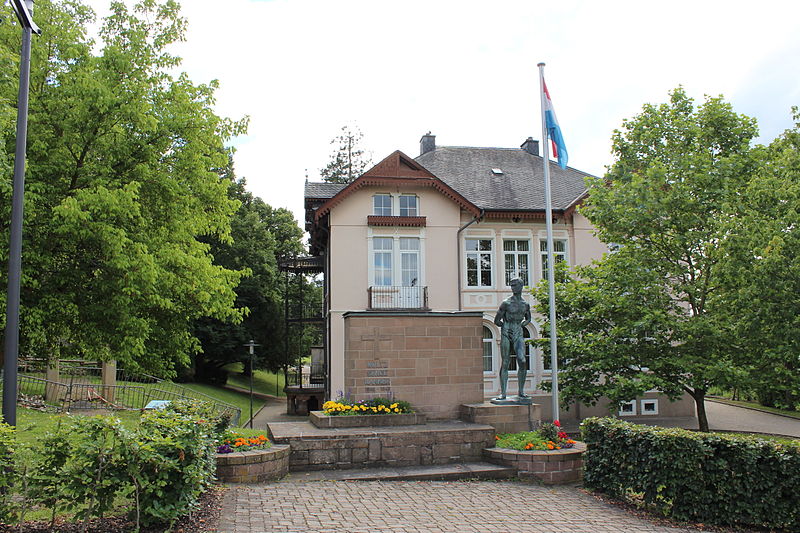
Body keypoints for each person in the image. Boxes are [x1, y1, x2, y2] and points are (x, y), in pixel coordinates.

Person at [493, 277, 532, 400]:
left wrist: (524, 324)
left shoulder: (525, 304)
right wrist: (505, 327)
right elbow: (496, 320)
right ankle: (503, 393)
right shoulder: (506, 303)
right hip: (506, 332)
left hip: (518, 333)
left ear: (521, 286)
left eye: (515, 285)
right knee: (505, 362)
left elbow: (528, 318)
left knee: (522, 360)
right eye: (511, 285)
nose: (512, 287)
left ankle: (521, 391)